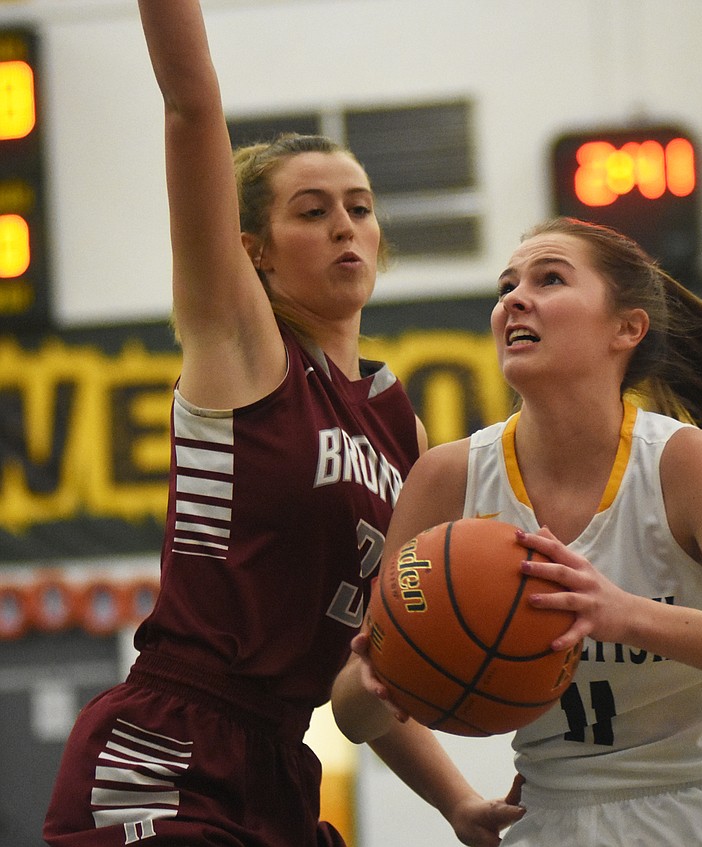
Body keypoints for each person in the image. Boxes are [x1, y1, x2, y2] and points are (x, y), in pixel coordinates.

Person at [43, 3, 521, 845]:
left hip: (283, 763)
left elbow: (378, 657)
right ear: (254, 249)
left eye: (361, 206)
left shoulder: (394, 423)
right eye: (312, 210)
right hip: (168, 744)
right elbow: (192, 103)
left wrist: (458, 804)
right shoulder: (245, 344)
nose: (345, 223)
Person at [331, 215, 702, 847]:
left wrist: (625, 615)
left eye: (550, 278)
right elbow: (351, 706)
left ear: (627, 327)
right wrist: (398, 705)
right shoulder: (448, 477)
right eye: (506, 286)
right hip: (552, 817)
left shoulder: (683, 463)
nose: (514, 299)